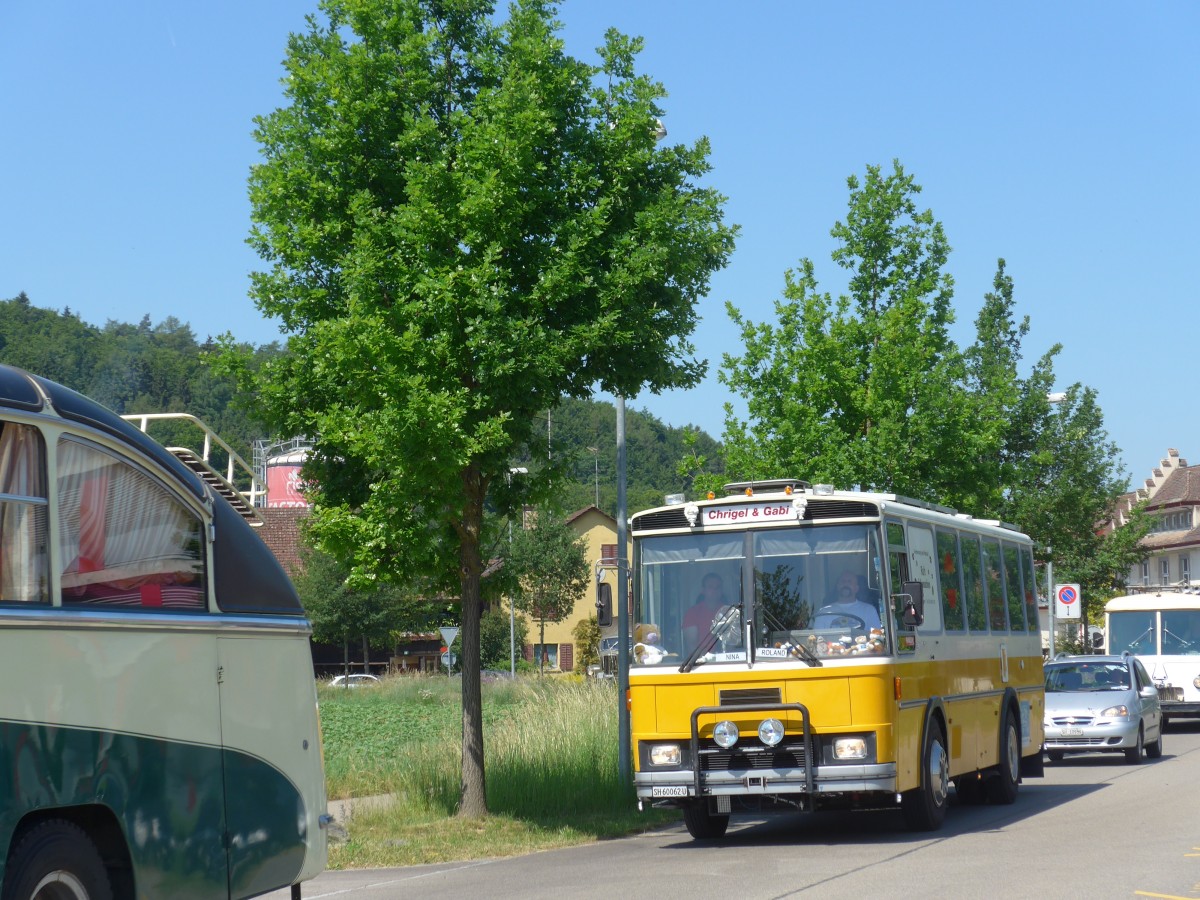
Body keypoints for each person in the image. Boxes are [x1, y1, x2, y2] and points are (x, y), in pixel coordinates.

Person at [813, 570, 882, 630]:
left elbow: (876, 638)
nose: (845, 584)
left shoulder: (869, 610)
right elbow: (818, 639)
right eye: (843, 581)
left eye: (849, 582)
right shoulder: (824, 612)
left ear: (856, 588)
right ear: (838, 586)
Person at [683, 573, 731, 649]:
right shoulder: (692, 613)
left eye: (718, 587)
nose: (714, 590)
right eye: (710, 587)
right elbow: (692, 645)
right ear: (703, 590)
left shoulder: (730, 613)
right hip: (701, 659)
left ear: (721, 590)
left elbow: (733, 642)